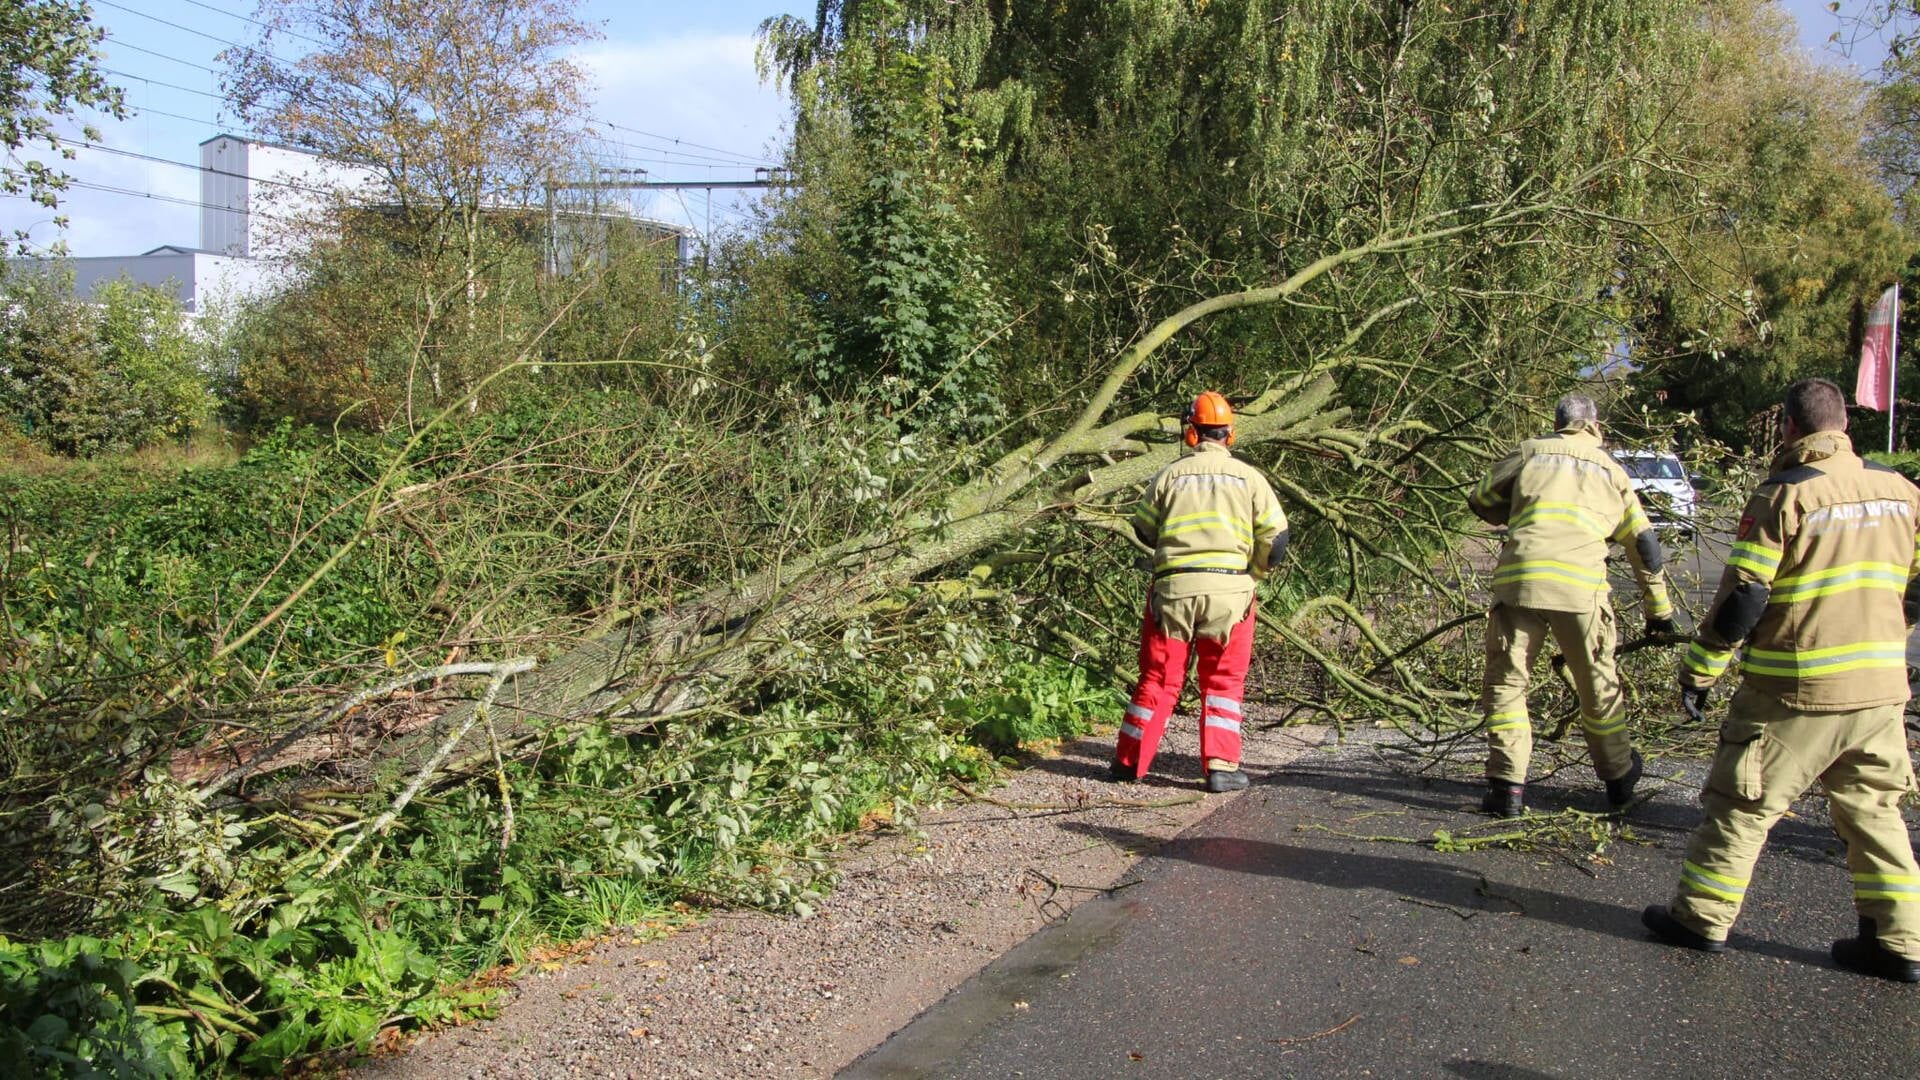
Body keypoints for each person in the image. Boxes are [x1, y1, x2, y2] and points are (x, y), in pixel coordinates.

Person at [1643, 378, 1920, 983]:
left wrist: (1700, 671)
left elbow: (1744, 595)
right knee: (1875, 811)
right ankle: (1898, 940)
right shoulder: (1902, 491)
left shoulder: (1786, 495)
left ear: (1792, 429)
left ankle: (1700, 918)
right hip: (1880, 691)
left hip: (1797, 689)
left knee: (1742, 804)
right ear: (1843, 425)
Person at [1467, 393, 1676, 817]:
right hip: (1580, 591)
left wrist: (1523, 510)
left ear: (1558, 422)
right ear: (1594, 426)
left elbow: (1481, 498)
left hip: (1520, 582)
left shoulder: (1530, 453)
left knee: (1508, 684)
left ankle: (1507, 788)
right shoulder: (1612, 471)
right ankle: (1618, 780)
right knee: (1597, 686)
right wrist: (1660, 612)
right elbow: (1644, 544)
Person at [1112, 391, 1287, 793]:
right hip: (1232, 595)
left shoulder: (1170, 475)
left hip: (1173, 591)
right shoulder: (1251, 478)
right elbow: (1277, 540)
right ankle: (1222, 768)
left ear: (1191, 434)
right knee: (1223, 682)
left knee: (1158, 678)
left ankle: (1130, 761)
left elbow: (1143, 528)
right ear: (1230, 435)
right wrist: (1254, 572)